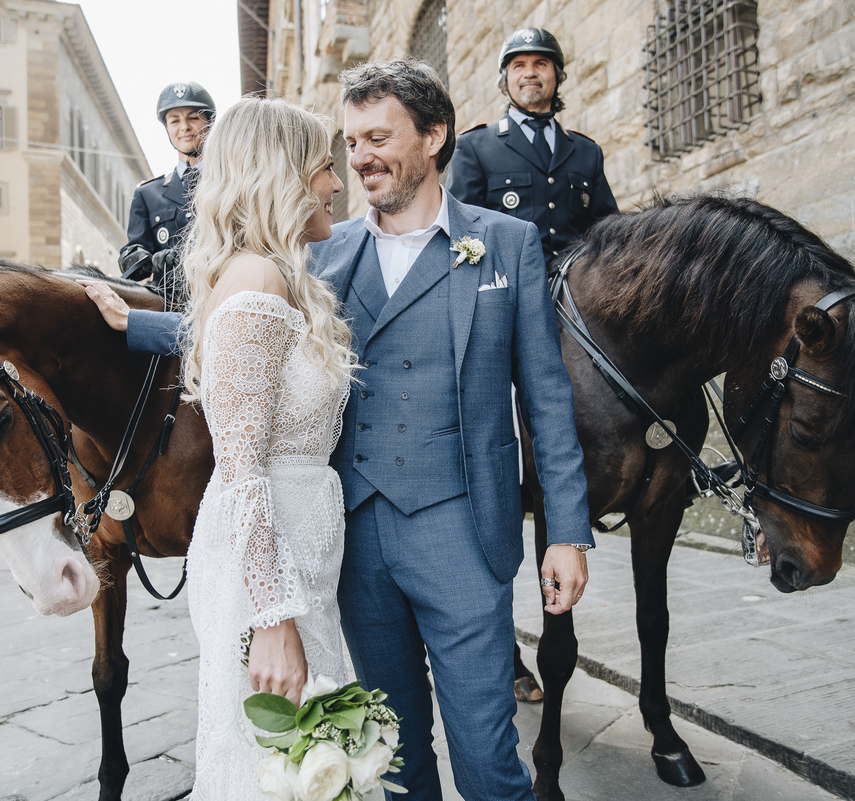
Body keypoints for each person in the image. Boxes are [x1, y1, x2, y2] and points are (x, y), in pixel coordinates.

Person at [308, 58, 593, 801]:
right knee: (393, 756)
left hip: (465, 530)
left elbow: (546, 396)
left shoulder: (506, 243)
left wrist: (566, 530)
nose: (360, 156)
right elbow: (248, 332)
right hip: (356, 536)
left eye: (378, 135)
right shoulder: (324, 254)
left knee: (489, 758)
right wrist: (134, 324)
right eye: (352, 141)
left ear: (434, 135)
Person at [78, 97, 354, 799]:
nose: (335, 184)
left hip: (300, 563)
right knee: (278, 768)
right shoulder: (257, 283)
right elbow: (241, 468)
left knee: (309, 762)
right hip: (268, 576)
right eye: (325, 167)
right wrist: (272, 620)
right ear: (282, 176)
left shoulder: (279, 278)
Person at [447, 28, 618, 268]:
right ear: (505, 80)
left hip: (576, 299)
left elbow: (610, 233)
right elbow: (461, 234)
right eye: (519, 66)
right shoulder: (474, 147)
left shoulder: (588, 152)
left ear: (557, 76)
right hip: (510, 296)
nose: (530, 73)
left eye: (541, 64)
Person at [119, 81, 216, 289]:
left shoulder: (229, 183)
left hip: (218, 294)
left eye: (193, 118)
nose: (184, 128)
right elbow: (130, 259)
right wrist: (149, 260)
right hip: (166, 304)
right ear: (166, 128)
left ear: (210, 121)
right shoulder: (148, 194)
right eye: (174, 121)